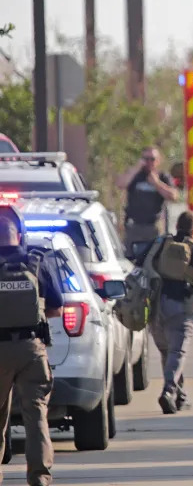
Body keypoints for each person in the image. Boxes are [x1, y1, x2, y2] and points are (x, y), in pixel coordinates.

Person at [136, 210, 193, 414]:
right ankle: (168, 392)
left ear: (176, 226)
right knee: (177, 353)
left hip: (155, 307)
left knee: (168, 353)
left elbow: (139, 265)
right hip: (180, 307)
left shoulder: (159, 244)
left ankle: (180, 397)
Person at [0, 204, 63, 486]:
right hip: (31, 349)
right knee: (36, 413)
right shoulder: (36, 262)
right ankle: (39, 475)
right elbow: (57, 309)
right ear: (19, 234)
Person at [118, 146, 179, 253]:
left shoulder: (163, 177)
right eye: (146, 159)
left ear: (158, 161)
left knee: (154, 256)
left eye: (152, 159)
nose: (149, 162)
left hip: (153, 226)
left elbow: (173, 196)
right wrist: (136, 168)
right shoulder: (135, 176)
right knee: (130, 255)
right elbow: (121, 184)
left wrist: (157, 184)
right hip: (134, 226)